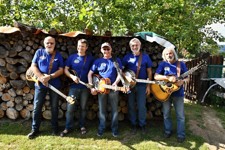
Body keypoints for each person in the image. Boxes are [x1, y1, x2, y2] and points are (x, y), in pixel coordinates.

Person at [27, 36, 64, 139]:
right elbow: (33, 66)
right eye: (47, 43)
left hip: (55, 84)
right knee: (37, 107)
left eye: (51, 43)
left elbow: (61, 69)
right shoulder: (39, 52)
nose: (49, 45)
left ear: (54, 44)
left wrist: (50, 76)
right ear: (44, 43)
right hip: (40, 84)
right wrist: (41, 77)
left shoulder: (58, 55)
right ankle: (35, 129)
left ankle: (54, 128)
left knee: (54, 107)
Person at [154, 46, 189, 143]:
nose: (169, 55)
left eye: (170, 53)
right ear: (164, 55)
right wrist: (167, 78)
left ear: (174, 54)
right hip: (165, 93)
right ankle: (167, 131)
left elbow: (187, 78)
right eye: (167, 54)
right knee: (166, 114)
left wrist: (183, 81)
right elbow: (156, 76)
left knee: (180, 115)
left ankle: (181, 134)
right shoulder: (163, 64)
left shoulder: (180, 64)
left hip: (178, 93)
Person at [60, 39, 94, 137]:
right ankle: (67, 127)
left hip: (85, 88)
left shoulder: (90, 59)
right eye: (79, 45)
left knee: (83, 108)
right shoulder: (72, 57)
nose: (80, 48)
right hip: (73, 87)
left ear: (86, 47)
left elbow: (93, 72)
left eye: (83, 46)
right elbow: (65, 70)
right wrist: (72, 76)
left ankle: (82, 125)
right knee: (70, 108)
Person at [88, 42, 123, 137]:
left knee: (115, 110)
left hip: (113, 88)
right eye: (104, 49)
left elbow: (120, 73)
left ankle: (114, 129)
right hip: (101, 89)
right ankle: (101, 128)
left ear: (111, 49)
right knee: (102, 110)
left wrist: (116, 83)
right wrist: (92, 86)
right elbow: (90, 74)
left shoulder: (116, 60)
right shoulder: (98, 61)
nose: (106, 51)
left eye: (108, 49)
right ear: (101, 50)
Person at [122, 38, 153, 134]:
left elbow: (149, 72)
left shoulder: (146, 57)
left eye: (136, 45)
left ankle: (142, 125)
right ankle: (133, 125)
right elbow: (121, 71)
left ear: (140, 46)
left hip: (142, 86)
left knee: (141, 106)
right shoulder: (127, 57)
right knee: (131, 105)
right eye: (133, 45)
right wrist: (126, 78)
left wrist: (148, 86)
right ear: (130, 47)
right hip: (130, 86)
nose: (135, 47)